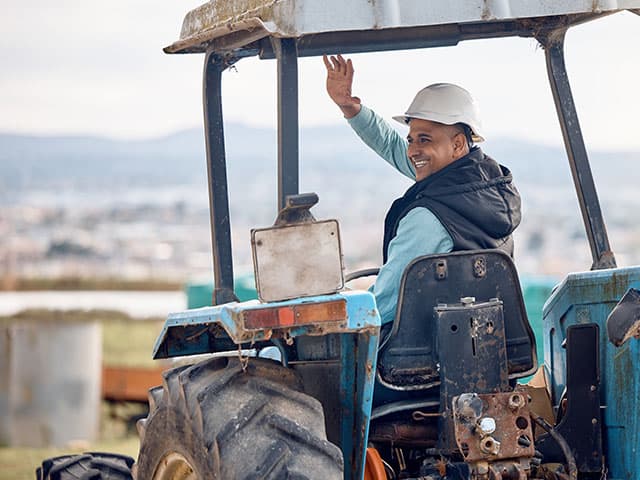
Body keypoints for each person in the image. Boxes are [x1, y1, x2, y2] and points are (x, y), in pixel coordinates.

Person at [323, 54, 521, 325]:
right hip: (481, 336)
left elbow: (381, 307)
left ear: (457, 145)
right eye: (411, 140)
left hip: (421, 343)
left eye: (424, 140)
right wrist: (350, 108)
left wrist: (332, 321)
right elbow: (393, 147)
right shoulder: (484, 188)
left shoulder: (429, 219)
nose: (413, 151)